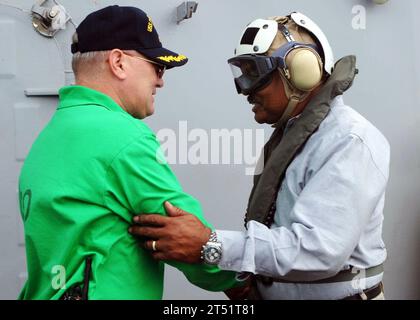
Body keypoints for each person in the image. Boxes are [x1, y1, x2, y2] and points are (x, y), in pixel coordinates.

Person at [129, 12, 390, 300]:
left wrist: (211, 244)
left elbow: (319, 250)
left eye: (255, 73)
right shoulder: (294, 135)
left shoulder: (348, 140)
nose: (246, 90)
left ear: (301, 70)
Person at [18, 5, 241, 300]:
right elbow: (189, 241)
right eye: (157, 67)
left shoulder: (47, 140)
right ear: (119, 62)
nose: (161, 80)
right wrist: (239, 276)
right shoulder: (123, 137)